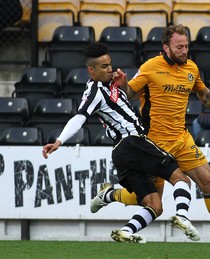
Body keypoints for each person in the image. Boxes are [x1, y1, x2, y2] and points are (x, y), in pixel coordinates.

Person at [42, 42, 200, 243]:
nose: (110, 69)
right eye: (104, 67)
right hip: (132, 143)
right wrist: (59, 141)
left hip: (123, 153)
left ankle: (124, 229)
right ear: (91, 70)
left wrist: (124, 85)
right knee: (180, 178)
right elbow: (80, 117)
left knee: (154, 205)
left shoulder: (112, 84)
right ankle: (183, 216)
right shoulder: (95, 92)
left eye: (110, 64)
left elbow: (124, 105)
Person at [109, 24, 210, 228]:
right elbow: (130, 94)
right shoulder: (150, 67)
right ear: (166, 47)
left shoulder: (191, 68)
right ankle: (110, 194)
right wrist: (122, 85)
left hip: (181, 139)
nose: (184, 51)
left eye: (186, 46)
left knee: (208, 182)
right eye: (179, 47)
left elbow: (204, 93)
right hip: (154, 143)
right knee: (150, 199)